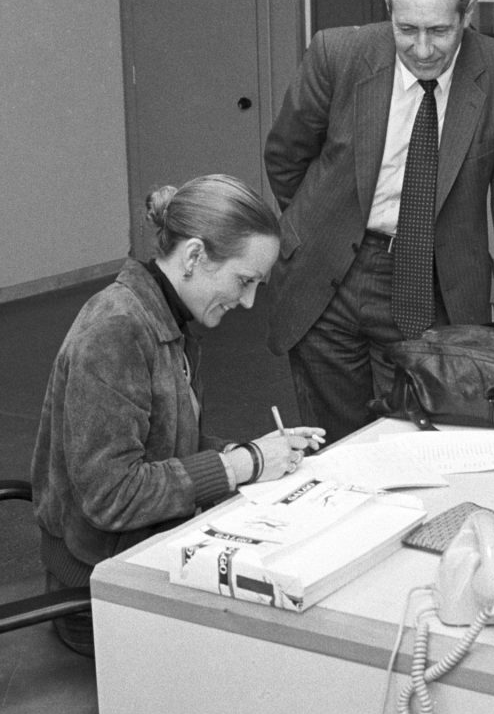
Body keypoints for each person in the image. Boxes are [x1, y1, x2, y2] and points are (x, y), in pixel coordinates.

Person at [264, 0, 494, 442]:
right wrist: (316, 231)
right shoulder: (339, 54)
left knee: (427, 442)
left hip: (432, 282)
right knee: (336, 448)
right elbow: (286, 156)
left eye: (439, 30)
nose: (422, 49)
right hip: (328, 282)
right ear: (388, 9)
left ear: (468, 12)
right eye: (407, 29)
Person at [31, 174, 326, 656]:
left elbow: (164, 446)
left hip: (139, 559)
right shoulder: (117, 330)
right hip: (98, 593)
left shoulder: (164, 319)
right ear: (194, 257)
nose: (249, 301)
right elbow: (112, 496)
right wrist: (243, 465)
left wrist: (246, 453)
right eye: (244, 280)